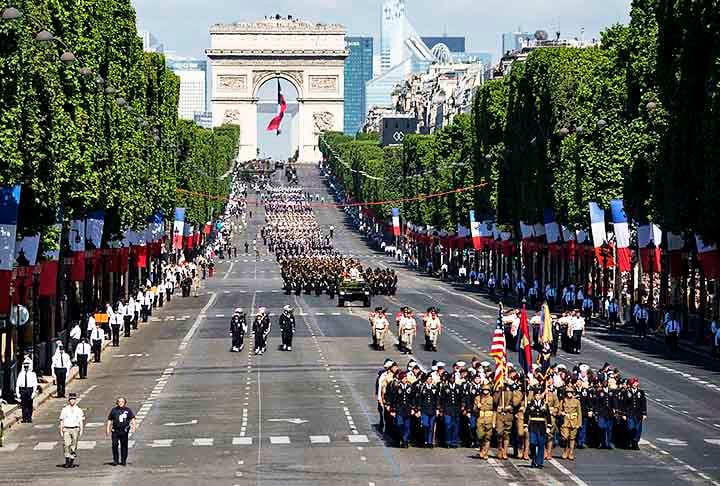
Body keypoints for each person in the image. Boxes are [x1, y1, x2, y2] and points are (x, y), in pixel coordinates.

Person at [525, 386, 551, 468]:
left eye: (539, 395)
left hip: (542, 426)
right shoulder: (530, 404)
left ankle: (539, 462)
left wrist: (548, 427)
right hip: (533, 425)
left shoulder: (545, 404)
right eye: (536, 395)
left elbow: (548, 416)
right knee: (532, 443)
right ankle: (533, 459)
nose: (538, 397)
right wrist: (525, 425)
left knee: (541, 444)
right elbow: (526, 415)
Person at [106, 397, 136, 466]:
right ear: (117, 403)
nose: (121, 403)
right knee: (114, 445)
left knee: (124, 446)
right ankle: (115, 460)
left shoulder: (128, 410)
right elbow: (110, 420)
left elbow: (132, 418)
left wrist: (134, 427)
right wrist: (108, 429)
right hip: (115, 431)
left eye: (122, 402)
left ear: (125, 403)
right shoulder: (114, 410)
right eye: (119, 402)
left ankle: (123, 460)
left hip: (124, 431)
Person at [59, 393, 84, 468]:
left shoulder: (78, 410)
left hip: (75, 428)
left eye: (73, 399)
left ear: (75, 400)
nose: (72, 401)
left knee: (74, 445)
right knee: (66, 444)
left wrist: (81, 429)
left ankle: (72, 460)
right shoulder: (65, 409)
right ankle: (67, 459)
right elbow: (61, 420)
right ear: (68, 400)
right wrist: (61, 430)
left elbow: (80, 421)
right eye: (71, 399)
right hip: (67, 428)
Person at [622, 378, 647, 450]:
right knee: (630, 428)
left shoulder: (641, 392)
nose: (635, 384)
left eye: (636, 383)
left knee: (638, 429)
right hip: (630, 414)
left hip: (638, 414)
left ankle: (635, 442)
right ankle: (631, 441)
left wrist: (644, 413)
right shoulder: (627, 392)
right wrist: (624, 414)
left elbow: (643, 403)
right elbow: (624, 404)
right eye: (633, 383)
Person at [415, 373, 438, 448]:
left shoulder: (435, 387)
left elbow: (437, 399)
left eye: (431, 379)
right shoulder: (422, 388)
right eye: (428, 379)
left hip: (432, 410)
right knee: (425, 425)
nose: (430, 380)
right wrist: (418, 409)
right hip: (424, 410)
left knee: (431, 427)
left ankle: (429, 442)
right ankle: (424, 440)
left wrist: (437, 408)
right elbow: (419, 399)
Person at [473, 383, 495, 459]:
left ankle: (485, 452)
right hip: (481, 419)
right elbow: (474, 410)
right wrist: (478, 406)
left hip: (489, 419)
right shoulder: (478, 398)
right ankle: (481, 448)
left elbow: (494, 411)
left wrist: (494, 421)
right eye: (484, 390)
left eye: (487, 390)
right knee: (480, 436)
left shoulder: (492, 399)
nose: (485, 391)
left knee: (488, 437)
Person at [560, 387, 582, 460]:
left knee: (572, 438)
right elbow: (559, 411)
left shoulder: (576, 401)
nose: (569, 393)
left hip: (574, 421)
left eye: (571, 392)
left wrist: (579, 423)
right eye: (568, 392)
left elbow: (579, 413)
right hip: (565, 421)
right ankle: (565, 450)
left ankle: (571, 452)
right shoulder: (563, 401)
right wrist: (561, 413)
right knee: (565, 437)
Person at [15, 357, 38, 423]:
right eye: (25, 367)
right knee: (24, 405)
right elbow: (17, 385)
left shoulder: (33, 374)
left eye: (27, 367)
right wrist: (18, 393)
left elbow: (35, 384)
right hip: (23, 390)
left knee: (29, 404)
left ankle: (29, 417)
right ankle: (25, 418)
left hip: (29, 390)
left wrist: (33, 392)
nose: (26, 368)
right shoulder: (21, 374)